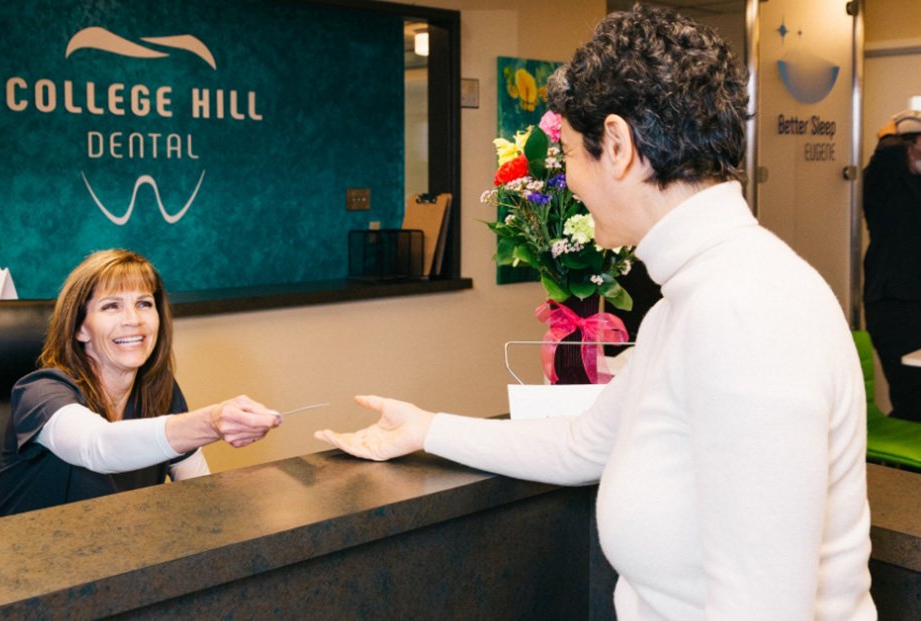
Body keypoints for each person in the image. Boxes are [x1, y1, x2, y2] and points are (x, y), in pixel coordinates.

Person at [316, 6, 875, 620]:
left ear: (617, 146)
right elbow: (584, 445)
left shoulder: (745, 313)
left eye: (570, 156)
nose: (571, 182)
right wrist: (428, 428)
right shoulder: (690, 300)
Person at [0, 249, 281, 516]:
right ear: (80, 328)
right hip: (37, 564)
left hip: (120, 557)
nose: (133, 320)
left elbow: (200, 490)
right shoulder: (40, 392)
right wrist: (212, 422)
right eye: (111, 306)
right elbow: (97, 446)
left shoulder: (159, 388)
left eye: (144, 303)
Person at [862, 109, 921, 423]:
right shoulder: (882, 183)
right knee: (911, 395)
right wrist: (889, 135)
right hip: (892, 306)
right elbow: (886, 162)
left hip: (913, 300)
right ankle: (903, 470)